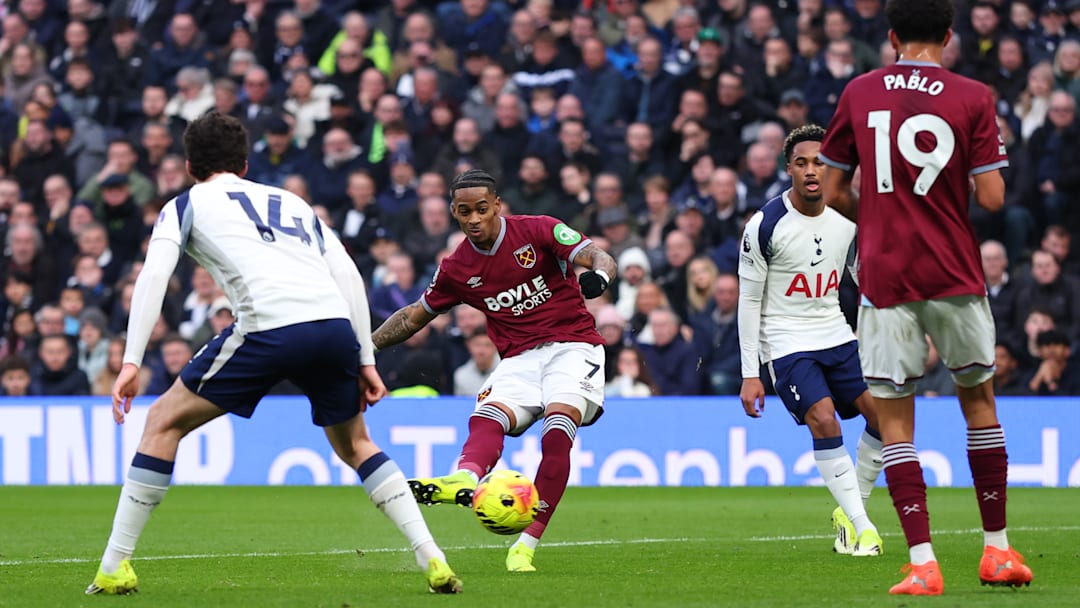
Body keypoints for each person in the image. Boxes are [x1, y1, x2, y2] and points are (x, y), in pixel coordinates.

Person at [85, 112, 462, 596]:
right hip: (332, 328)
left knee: (161, 422)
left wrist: (132, 361)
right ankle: (432, 556)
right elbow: (348, 274)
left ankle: (115, 565)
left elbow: (154, 276)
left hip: (267, 328)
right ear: (244, 163)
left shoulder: (186, 204)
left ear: (187, 165)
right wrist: (365, 357)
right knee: (356, 445)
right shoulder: (292, 201)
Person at [819, 0, 1033, 595]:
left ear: (891, 37)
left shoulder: (860, 92)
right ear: (948, 34)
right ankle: (998, 552)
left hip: (887, 276)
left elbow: (833, 190)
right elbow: (992, 199)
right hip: (955, 273)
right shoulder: (973, 95)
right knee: (979, 401)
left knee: (895, 419)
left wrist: (883, 217)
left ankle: (922, 564)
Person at [372, 169, 618, 573]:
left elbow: (597, 255)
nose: (473, 219)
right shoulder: (456, 268)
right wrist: (367, 346)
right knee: (486, 416)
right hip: (519, 358)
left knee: (557, 431)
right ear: (453, 212)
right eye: (464, 212)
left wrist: (600, 276)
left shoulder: (538, 230)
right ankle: (465, 478)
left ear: (497, 206)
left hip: (574, 347)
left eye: (481, 209)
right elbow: (415, 316)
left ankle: (525, 545)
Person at [739, 125, 884, 559]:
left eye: (819, 161)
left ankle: (848, 510)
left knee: (884, 419)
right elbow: (748, 300)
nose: (810, 170)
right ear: (789, 170)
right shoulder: (765, 224)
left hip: (837, 334)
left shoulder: (848, 220)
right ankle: (864, 527)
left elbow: (864, 282)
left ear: (832, 167)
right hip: (786, 342)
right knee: (824, 418)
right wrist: (751, 374)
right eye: (801, 163)